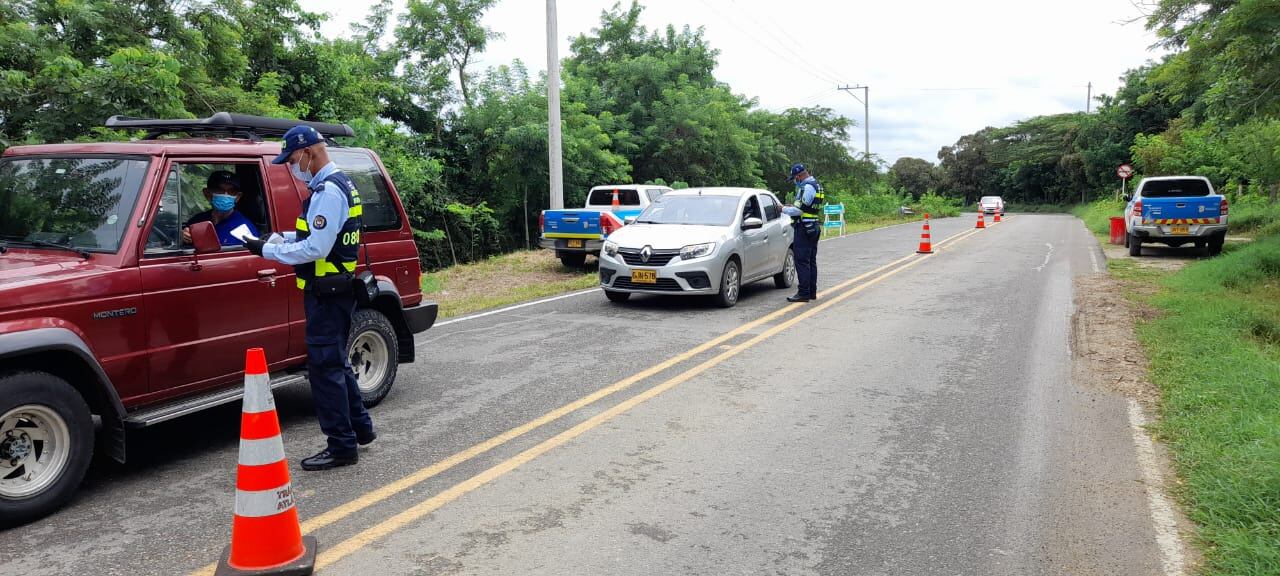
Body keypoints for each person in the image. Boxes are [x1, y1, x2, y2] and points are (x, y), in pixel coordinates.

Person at [243, 125, 373, 472]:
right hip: (335, 291)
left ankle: (341, 446)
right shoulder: (336, 185)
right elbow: (318, 233)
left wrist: (268, 250)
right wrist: (278, 236)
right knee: (338, 362)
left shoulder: (328, 191)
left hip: (328, 295)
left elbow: (316, 247)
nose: (292, 167)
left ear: (309, 153)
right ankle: (361, 428)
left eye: (293, 159)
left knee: (324, 368)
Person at [782, 163, 823, 302]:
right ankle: (811, 292)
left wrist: (782, 209)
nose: (795, 181)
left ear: (799, 176)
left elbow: (800, 210)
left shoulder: (808, 187)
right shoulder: (816, 184)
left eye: (795, 178)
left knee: (802, 261)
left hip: (805, 228)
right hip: (813, 226)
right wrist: (791, 207)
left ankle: (804, 293)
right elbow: (806, 207)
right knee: (810, 261)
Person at [182, 170, 258, 246]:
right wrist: (183, 237)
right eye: (219, 190)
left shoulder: (246, 229)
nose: (225, 195)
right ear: (207, 194)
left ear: (237, 197)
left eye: (231, 191)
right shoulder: (197, 221)